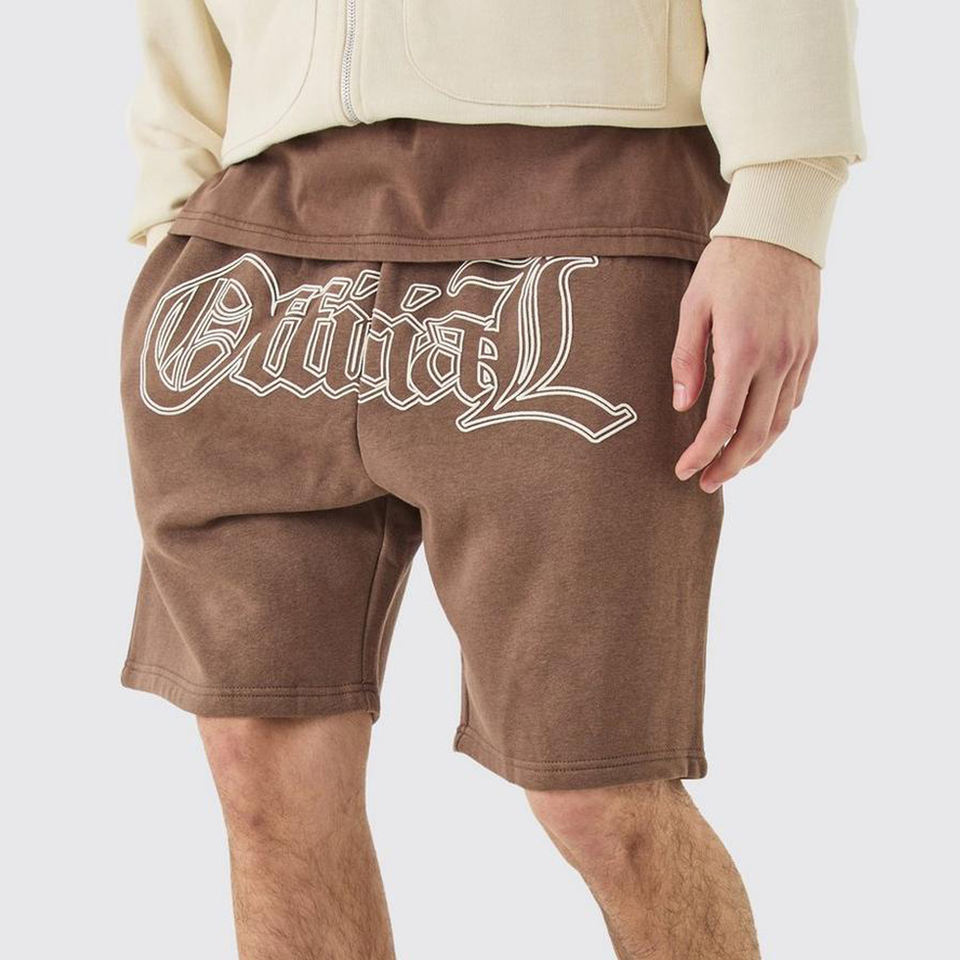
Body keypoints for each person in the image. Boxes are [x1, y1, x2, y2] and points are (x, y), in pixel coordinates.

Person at [119, 2, 864, 956]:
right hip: (251, 244)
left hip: (583, 194)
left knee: (599, 784)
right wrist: (172, 212)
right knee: (258, 755)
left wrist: (781, 206)